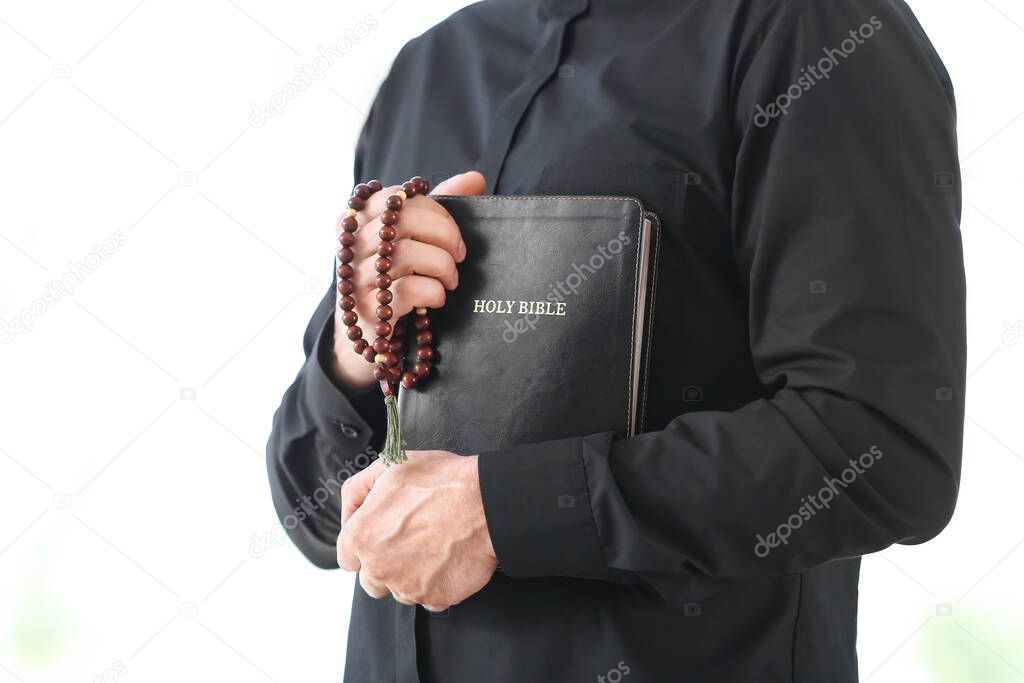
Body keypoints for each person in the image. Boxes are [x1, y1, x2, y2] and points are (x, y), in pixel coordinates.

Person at [266, 0, 965, 681]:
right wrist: (354, 348)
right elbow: (316, 512)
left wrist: (498, 512)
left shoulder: (812, 27)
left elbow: (881, 447)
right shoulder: (429, 67)